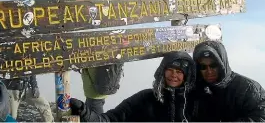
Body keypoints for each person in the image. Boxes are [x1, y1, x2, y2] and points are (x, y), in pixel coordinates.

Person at [70, 51, 199, 122]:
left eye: (179, 72)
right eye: (170, 69)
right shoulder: (146, 98)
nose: (173, 75)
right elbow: (109, 120)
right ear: (162, 71)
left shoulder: (196, 101)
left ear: (186, 76)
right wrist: (84, 111)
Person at [193, 40, 265, 122]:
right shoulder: (194, 91)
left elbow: (262, 119)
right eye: (203, 67)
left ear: (222, 64)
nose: (209, 71)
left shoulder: (249, 89)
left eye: (213, 65)